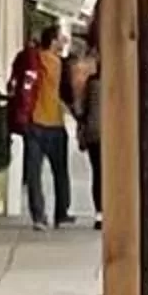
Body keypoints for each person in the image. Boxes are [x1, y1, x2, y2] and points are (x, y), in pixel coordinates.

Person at [9, 22, 72, 230]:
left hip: (34, 122)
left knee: (34, 172)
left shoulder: (34, 60)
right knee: (60, 171)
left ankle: (39, 216)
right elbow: (68, 94)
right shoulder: (60, 64)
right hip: (54, 123)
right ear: (53, 41)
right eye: (61, 38)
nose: (64, 41)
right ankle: (61, 213)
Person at [67, 26, 105, 229]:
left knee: (97, 173)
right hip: (112, 134)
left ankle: (100, 213)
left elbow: (80, 108)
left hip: (94, 133)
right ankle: (109, 211)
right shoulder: (120, 82)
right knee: (110, 173)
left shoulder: (89, 82)